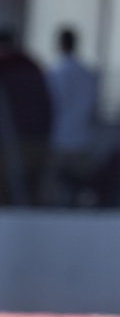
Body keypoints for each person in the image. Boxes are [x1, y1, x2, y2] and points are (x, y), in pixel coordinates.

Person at [46, 25, 98, 206]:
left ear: (60, 45)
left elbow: (52, 104)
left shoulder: (57, 73)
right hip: (83, 138)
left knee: (57, 192)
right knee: (81, 191)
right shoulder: (87, 73)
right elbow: (93, 106)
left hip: (60, 137)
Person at [0, 27, 51, 205]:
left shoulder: (4, 64)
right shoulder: (32, 65)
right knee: (31, 189)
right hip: (38, 135)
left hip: (9, 139)